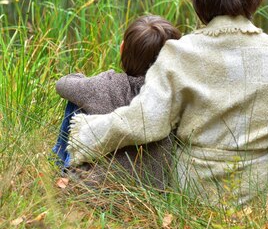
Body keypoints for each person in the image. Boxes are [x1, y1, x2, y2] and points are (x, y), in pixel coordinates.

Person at [66, 0, 268, 204]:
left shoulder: (180, 53)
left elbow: (146, 121)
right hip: (264, 189)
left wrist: (86, 133)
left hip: (197, 190)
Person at [53, 15, 182, 188]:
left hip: (97, 186)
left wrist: (85, 79)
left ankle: (61, 163)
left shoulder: (108, 84)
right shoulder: (176, 95)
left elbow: (62, 85)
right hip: (153, 188)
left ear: (122, 49)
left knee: (76, 101)